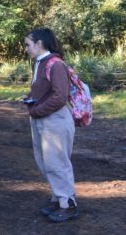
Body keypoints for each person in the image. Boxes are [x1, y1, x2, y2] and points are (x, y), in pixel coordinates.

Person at [23, 28, 79, 222]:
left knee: (57, 163)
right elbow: (44, 91)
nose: (26, 49)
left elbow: (60, 96)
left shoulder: (55, 65)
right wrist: (30, 98)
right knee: (45, 162)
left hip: (55, 120)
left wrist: (37, 110)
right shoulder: (39, 63)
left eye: (28, 44)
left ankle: (68, 204)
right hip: (43, 119)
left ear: (40, 44)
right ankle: (57, 198)